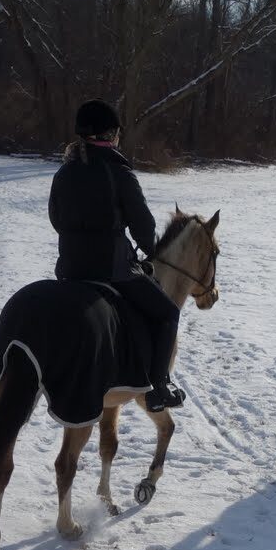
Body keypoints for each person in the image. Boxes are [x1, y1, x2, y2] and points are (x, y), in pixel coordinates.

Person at [49, 99, 186, 411]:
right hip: (112, 269)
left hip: (69, 268)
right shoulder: (118, 171)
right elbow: (143, 223)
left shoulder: (65, 171)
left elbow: (56, 219)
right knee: (167, 313)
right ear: (112, 135)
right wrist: (150, 249)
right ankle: (159, 388)